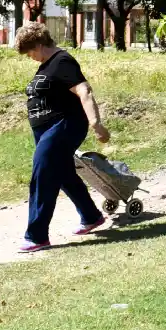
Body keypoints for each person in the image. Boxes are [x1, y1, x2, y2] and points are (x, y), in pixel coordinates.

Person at [15, 21, 111, 251]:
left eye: (30, 51)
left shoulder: (62, 61)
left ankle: (36, 236)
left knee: (43, 175)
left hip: (64, 124)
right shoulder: (47, 65)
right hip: (45, 129)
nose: (29, 56)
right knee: (64, 173)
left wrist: (95, 123)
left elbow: (83, 90)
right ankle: (91, 216)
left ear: (39, 44)